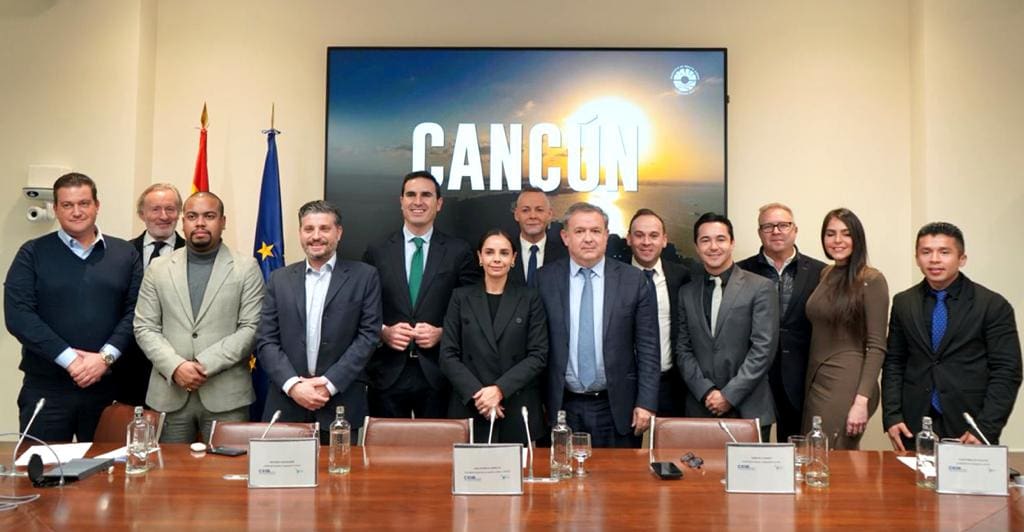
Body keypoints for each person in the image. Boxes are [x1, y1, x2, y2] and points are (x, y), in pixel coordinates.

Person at [4, 173, 142, 442]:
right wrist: (71, 360)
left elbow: (136, 312)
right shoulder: (32, 253)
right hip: (47, 388)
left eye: (84, 203)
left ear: (97, 205)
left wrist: (104, 358)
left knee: (107, 466)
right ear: (56, 209)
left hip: (107, 387)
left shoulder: (125, 254)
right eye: (67, 205)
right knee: (44, 465)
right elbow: (19, 315)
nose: (76, 212)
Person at [134, 192, 264, 443]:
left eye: (209, 216)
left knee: (227, 468)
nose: (200, 223)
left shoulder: (246, 268)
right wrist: (176, 367)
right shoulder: (158, 268)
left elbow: (251, 328)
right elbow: (144, 327)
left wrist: (202, 365)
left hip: (226, 397)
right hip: (169, 393)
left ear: (223, 222)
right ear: (183, 222)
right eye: (192, 216)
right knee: (168, 468)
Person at [883, 222, 1022, 449]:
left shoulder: (992, 305)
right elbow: (894, 362)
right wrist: (892, 415)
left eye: (944, 252)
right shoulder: (903, 302)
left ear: (962, 258)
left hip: (970, 426)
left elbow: (1007, 371)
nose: (934, 259)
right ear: (917, 258)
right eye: (926, 252)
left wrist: (985, 428)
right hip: (913, 423)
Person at [256, 201, 382, 443]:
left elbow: (368, 337)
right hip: (287, 403)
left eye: (324, 228)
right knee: (283, 468)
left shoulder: (364, 277)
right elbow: (266, 339)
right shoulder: (279, 279)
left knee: (340, 468)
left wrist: (329, 384)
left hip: (341, 402)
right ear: (300, 233)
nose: (315, 236)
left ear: (339, 232)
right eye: (308, 229)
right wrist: (294, 386)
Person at [537, 202, 659, 448]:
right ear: (565, 237)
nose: (588, 238)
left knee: (618, 474)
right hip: (561, 405)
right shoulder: (544, 279)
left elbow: (648, 347)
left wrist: (646, 403)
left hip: (617, 406)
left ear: (606, 235)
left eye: (595, 231)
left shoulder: (633, 280)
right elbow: (535, 346)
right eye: (580, 231)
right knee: (563, 472)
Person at [362, 171, 479, 418]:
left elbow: (471, 309)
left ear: (439, 203)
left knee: (439, 444)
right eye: (411, 195)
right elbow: (363, 306)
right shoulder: (377, 250)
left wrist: (443, 333)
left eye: (426, 195)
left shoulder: (459, 251)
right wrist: (383, 331)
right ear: (401, 201)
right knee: (387, 444)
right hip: (387, 373)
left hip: (439, 373)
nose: (418, 202)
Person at [675, 213, 778, 442]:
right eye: (705, 240)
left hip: (749, 408)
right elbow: (683, 349)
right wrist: (706, 391)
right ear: (697, 246)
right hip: (700, 408)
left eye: (720, 239)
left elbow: (763, 349)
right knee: (699, 467)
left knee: (751, 469)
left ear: (732, 243)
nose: (713, 246)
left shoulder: (760, 287)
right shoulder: (686, 293)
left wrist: (729, 395)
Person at [440, 229, 548, 443]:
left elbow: (538, 355)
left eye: (504, 253)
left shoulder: (530, 298)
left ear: (514, 259)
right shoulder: (461, 297)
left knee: (519, 465)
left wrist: (499, 390)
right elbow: (448, 355)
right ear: (480, 257)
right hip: (471, 404)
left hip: (515, 404)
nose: (497, 259)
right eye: (489, 252)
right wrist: (480, 395)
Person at [737, 203, 826, 442]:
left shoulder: (821, 273)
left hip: (800, 375)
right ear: (759, 233)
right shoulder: (740, 271)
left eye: (783, 225)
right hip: (753, 375)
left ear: (795, 229)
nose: (776, 231)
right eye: (768, 226)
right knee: (753, 450)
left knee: (797, 450)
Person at [802, 208, 888, 450]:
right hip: (817, 378)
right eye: (830, 234)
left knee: (831, 455)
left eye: (846, 234)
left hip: (847, 383)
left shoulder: (871, 279)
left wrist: (861, 402)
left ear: (857, 238)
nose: (837, 240)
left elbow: (877, 346)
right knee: (812, 454)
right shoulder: (826, 273)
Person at [116, 183, 186, 406]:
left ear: (179, 213)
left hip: (177, 363)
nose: (163, 216)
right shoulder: (120, 254)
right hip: (129, 365)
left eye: (170, 209)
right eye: (155, 209)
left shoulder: (194, 254)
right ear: (141, 214)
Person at [625, 208, 691, 417]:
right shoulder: (614, 277)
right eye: (639, 235)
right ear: (629, 239)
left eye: (653, 236)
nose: (646, 242)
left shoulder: (682, 276)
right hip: (626, 384)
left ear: (664, 240)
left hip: (671, 384)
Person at [509, 187, 566, 287]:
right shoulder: (505, 252)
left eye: (539, 210)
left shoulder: (564, 255)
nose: (533, 216)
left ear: (549, 214)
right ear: (516, 215)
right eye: (525, 210)